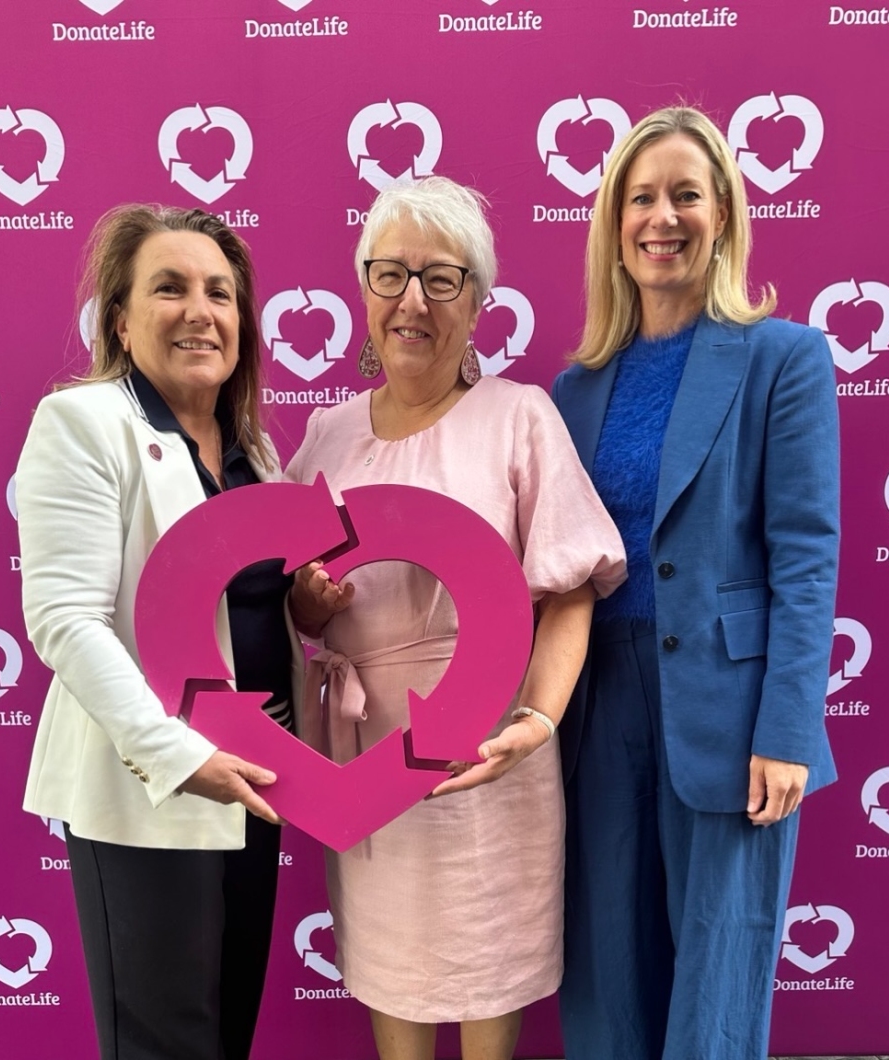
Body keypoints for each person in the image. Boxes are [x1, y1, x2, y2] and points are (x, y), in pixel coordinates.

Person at [285, 176, 626, 1060]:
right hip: (363, 757)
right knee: (391, 972)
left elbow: (572, 587)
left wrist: (539, 720)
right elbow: (280, 597)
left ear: (476, 301)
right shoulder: (324, 435)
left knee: (487, 975)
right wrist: (305, 603)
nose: (412, 300)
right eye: (390, 273)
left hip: (487, 751)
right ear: (362, 290)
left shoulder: (519, 417)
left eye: (442, 279)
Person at [552, 105, 840, 1060]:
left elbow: (805, 554)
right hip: (598, 704)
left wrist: (789, 727)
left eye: (685, 195)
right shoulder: (577, 386)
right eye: (641, 198)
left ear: (722, 213)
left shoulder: (783, 360)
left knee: (716, 971)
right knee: (607, 971)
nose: (661, 218)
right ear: (613, 225)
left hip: (730, 706)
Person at [16, 204, 298, 1060]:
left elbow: (238, 609)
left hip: (256, 782)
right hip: (150, 793)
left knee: (226, 1031)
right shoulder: (84, 423)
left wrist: (304, 607)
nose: (199, 311)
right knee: (165, 1043)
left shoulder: (253, 450)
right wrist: (179, 757)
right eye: (168, 288)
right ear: (120, 320)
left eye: (219, 292)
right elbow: (65, 619)